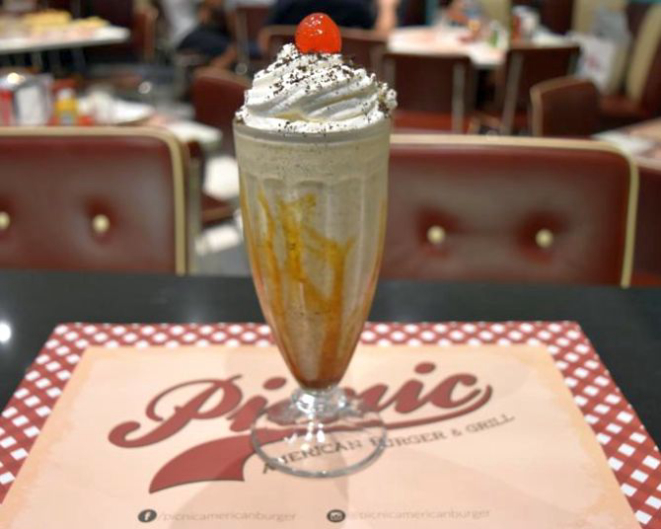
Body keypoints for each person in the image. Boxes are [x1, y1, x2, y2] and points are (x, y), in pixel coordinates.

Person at [160, 0, 236, 68]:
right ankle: (207, 74)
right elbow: (215, 2)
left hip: (177, 36)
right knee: (232, 49)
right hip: (188, 33)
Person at [267, 0, 376, 29]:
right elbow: (374, 39)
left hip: (289, 74)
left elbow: (266, 36)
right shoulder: (358, 6)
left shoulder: (288, 4)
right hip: (347, 73)